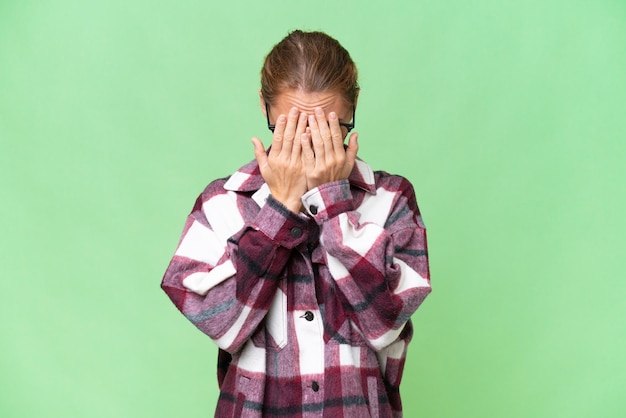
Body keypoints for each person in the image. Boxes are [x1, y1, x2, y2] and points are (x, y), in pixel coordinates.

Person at [161, 29, 431, 417]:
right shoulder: (222, 203)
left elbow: (383, 324)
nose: (309, 145)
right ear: (266, 109)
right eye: (291, 129)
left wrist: (333, 207)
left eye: (327, 129)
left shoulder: (391, 200)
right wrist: (281, 208)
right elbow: (221, 324)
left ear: (352, 109)